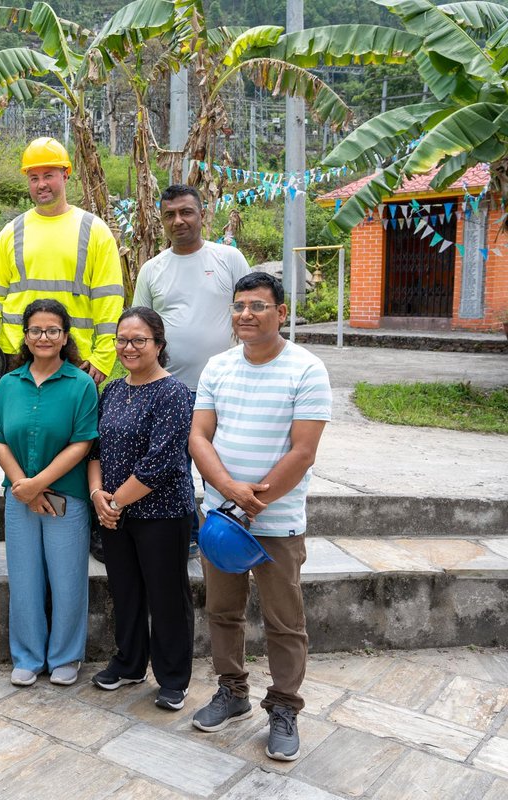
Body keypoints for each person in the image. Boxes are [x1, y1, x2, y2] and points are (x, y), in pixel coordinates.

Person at [189, 271, 331, 762]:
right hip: (221, 520)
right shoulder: (218, 366)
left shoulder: (307, 369)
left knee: (284, 622)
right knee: (222, 612)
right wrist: (228, 490)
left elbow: (303, 451)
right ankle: (232, 691)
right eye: (239, 306)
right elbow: (199, 437)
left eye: (257, 306)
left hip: (278, 523)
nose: (245, 314)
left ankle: (285, 707)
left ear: (281, 313)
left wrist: (257, 501)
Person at [134, 184, 251, 558]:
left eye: (186, 212)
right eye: (169, 215)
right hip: (170, 389)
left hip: (223, 387)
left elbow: (251, 308)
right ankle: (184, 536)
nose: (178, 220)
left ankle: (228, 532)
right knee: (173, 466)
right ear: (162, 220)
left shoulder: (229, 259)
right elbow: (140, 327)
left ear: (203, 214)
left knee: (221, 462)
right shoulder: (152, 269)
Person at [88, 306, 195, 712]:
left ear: (159, 345)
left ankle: (172, 678)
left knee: (167, 595)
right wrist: (99, 495)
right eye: (122, 340)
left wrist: (113, 501)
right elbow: (94, 448)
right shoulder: (112, 391)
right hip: (115, 512)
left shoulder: (174, 394)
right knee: (126, 590)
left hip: (162, 514)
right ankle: (129, 663)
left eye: (138, 340)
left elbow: (161, 462)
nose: (128, 347)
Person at [0, 298, 98, 688]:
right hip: (19, 499)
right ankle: (28, 656)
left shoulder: (81, 384)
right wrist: (24, 486)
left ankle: (66, 656)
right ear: (26, 336)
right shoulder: (8, 383)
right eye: (36, 330)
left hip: (67, 498)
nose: (44, 337)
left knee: (68, 578)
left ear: (65, 336)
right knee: (24, 578)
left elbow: (82, 443)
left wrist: (39, 484)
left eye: (53, 330)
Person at [0, 137, 124, 386]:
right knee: (15, 426)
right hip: (17, 354)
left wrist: (104, 356)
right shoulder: (11, 232)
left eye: (48, 175)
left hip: (75, 355)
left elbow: (108, 299)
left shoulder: (94, 231)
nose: (41, 184)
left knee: (71, 426)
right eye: (34, 178)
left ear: (66, 175)